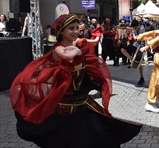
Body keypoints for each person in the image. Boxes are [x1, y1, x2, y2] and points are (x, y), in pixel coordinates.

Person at [10, 14, 142, 148]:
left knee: (105, 138)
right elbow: (66, 54)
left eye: (76, 28)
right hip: (67, 111)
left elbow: (91, 49)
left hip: (84, 103)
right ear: (61, 31)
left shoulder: (77, 45)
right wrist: (77, 52)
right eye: (71, 28)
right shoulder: (59, 49)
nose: (75, 31)